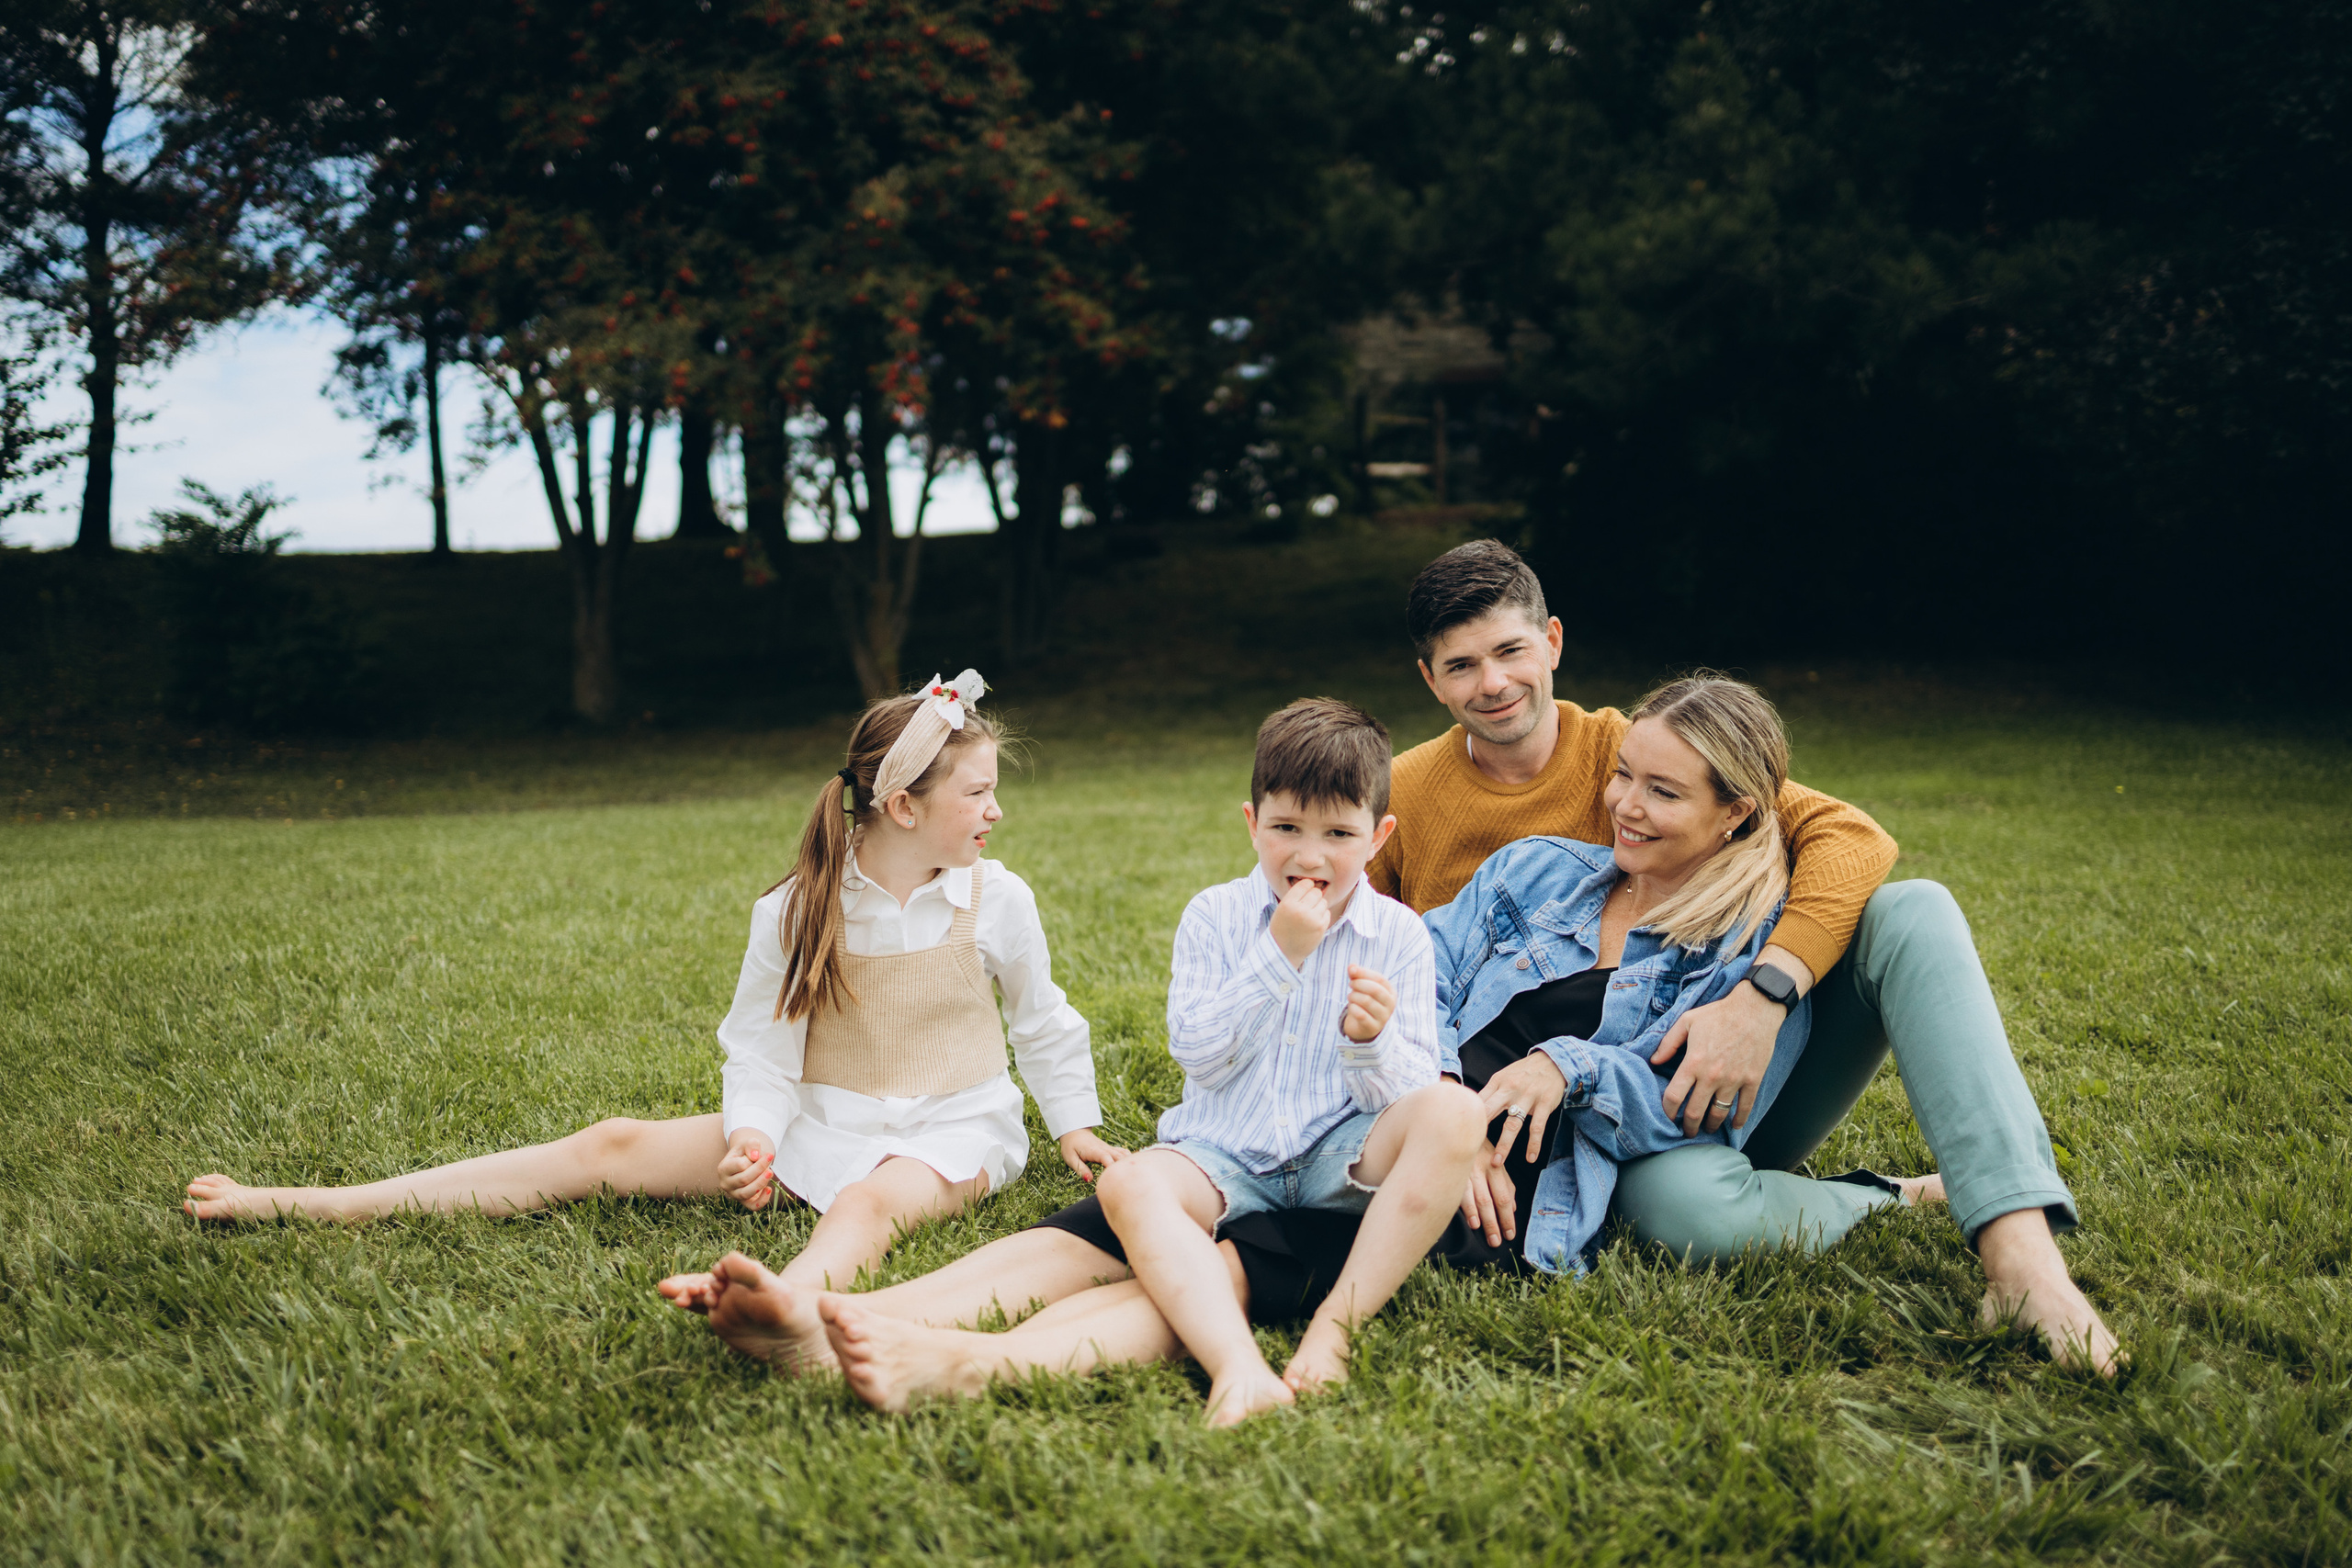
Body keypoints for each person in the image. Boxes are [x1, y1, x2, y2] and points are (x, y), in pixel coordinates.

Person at [188, 672, 1126, 1340]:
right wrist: (754, 1137)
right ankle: (311, 1204)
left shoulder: (995, 898)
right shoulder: (796, 908)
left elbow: (1044, 1021)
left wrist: (1074, 1127)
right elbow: (760, 1048)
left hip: (953, 1128)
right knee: (608, 1145)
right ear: (904, 806)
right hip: (821, 1115)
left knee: (869, 1202)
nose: (995, 810)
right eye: (978, 791)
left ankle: (784, 1309)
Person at [1374, 541, 2114, 1371]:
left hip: (1706, 1052)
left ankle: (2022, 1254)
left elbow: (1847, 834)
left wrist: (1763, 998)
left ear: (1550, 642)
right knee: (1671, 1203)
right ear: (1429, 679)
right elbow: (1368, 951)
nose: (1494, 683)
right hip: (1556, 1097)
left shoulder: (1646, 741)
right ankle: (1886, 1197)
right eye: (1462, 664)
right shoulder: (1404, 791)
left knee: (1915, 910)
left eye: (1510, 651)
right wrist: (1441, 1112)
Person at [1084, 699, 1487, 1425]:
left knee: (1458, 1110)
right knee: (1129, 1181)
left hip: (1338, 1153)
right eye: (1286, 829)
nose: (1309, 855)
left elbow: (1408, 1096)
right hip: (1221, 1151)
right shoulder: (1212, 916)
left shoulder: (1398, 933)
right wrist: (1279, 955)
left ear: (1378, 836)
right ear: (1251, 823)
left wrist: (1370, 1043)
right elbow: (1201, 1057)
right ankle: (1238, 1366)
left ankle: (1337, 1326)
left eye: (1339, 832)